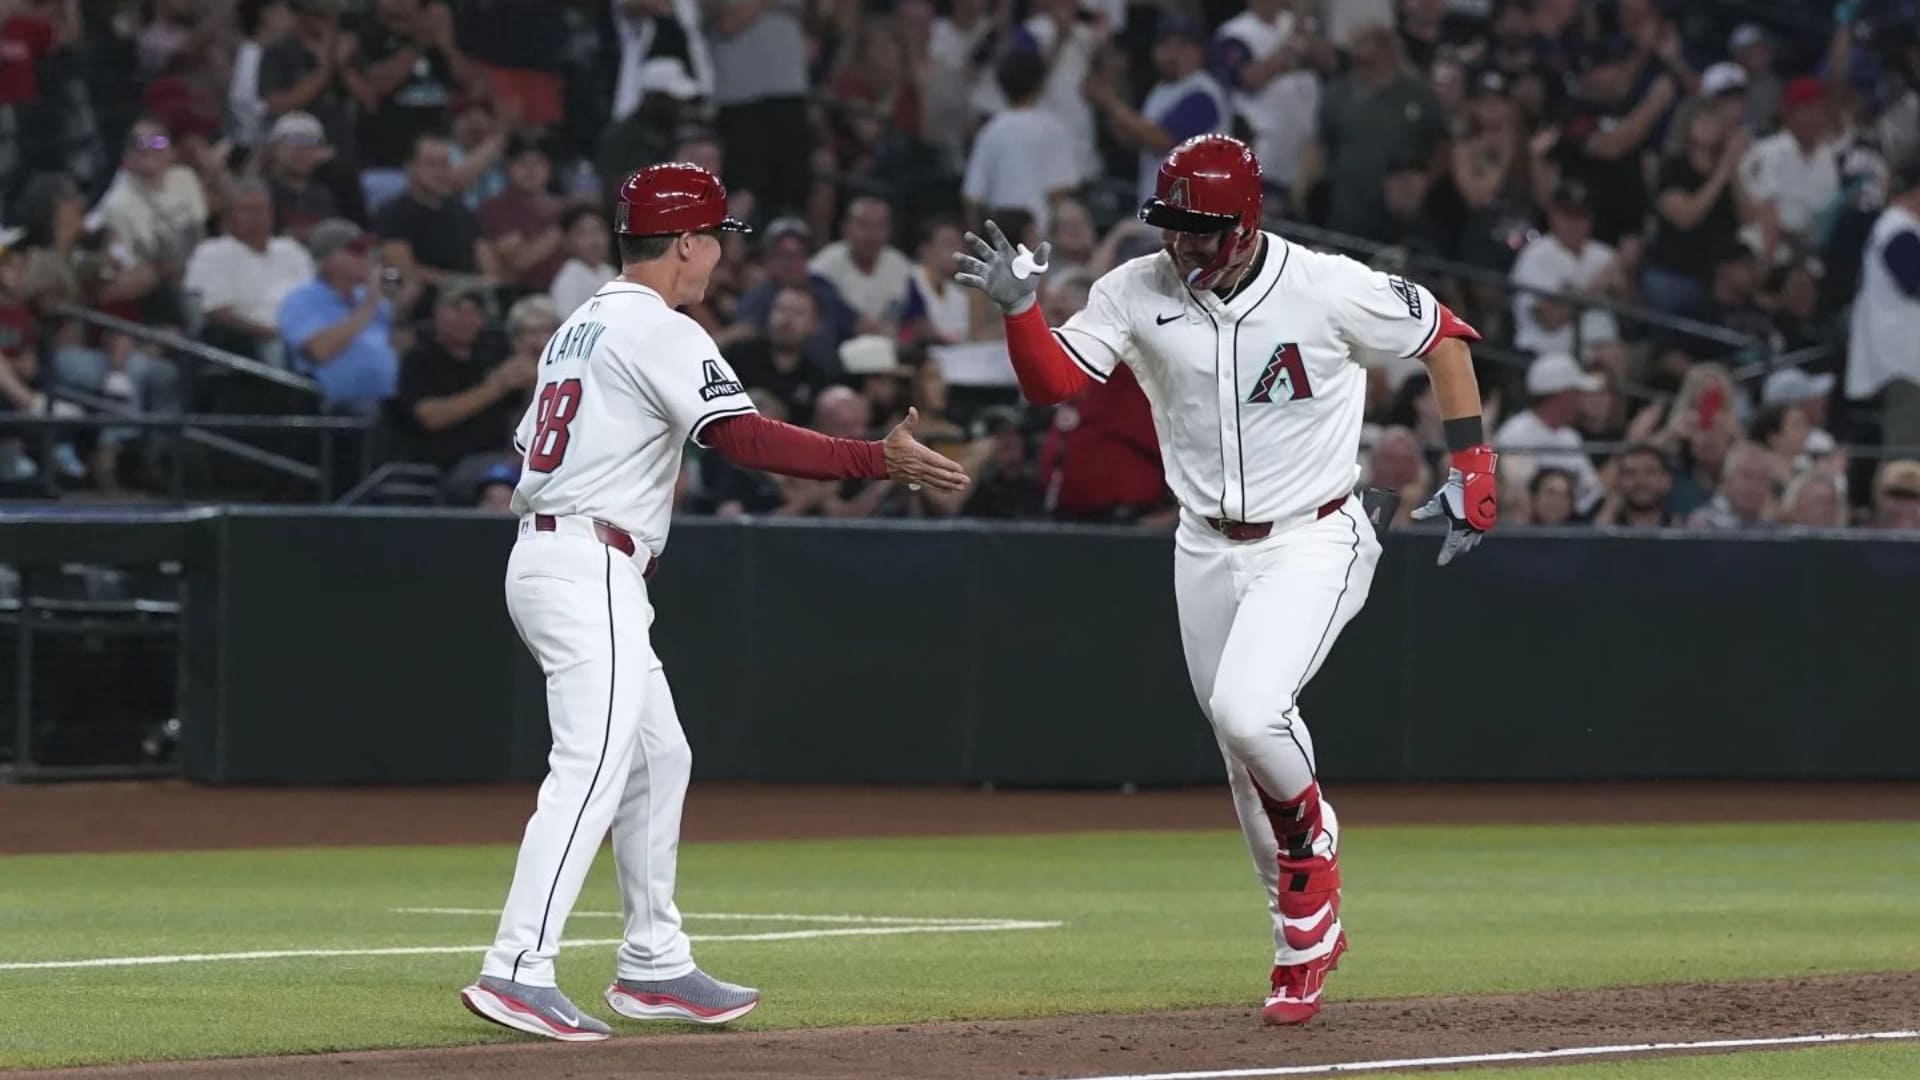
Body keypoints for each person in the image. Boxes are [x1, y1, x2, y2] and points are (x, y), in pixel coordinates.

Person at [953, 134, 1497, 1026]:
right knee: (1240, 758)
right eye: (1173, 226)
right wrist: (1022, 310)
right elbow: (1053, 384)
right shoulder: (1133, 289)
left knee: (1251, 711)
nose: (1184, 245)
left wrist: (1474, 467)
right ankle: (1301, 935)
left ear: (1246, 224)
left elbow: (1446, 338)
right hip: (1203, 545)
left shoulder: (1326, 285)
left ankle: (1313, 855)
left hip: (1317, 536)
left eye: (1203, 230)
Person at [461, 161, 969, 1042]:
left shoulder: (577, 324)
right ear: (688, 241)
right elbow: (742, 436)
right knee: (592, 766)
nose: (719, 260)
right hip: (587, 561)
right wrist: (870, 459)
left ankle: (654, 965)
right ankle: (517, 967)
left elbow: (538, 441)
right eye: (716, 241)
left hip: (559, 552)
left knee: (659, 758)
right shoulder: (659, 326)